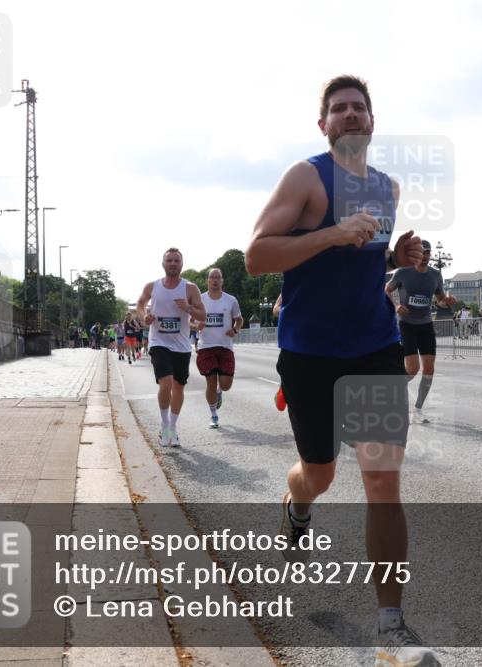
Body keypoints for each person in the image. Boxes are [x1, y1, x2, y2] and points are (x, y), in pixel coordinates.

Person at [245, 75, 436, 665]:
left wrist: (394, 256)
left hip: (375, 346)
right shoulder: (306, 177)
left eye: (359, 108)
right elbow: (256, 255)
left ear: (372, 122)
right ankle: (297, 504)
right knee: (319, 475)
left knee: (382, 482)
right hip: (310, 352)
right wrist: (331, 233)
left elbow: (366, 259)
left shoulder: (387, 187)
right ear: (323, 124)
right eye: (339, 109)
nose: (350, 115)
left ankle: (391, 627)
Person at [136, 248, 207, 447]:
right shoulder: (153, 286)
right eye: (169, 260)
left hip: (181, 345)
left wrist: (188, 308)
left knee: (178, 387)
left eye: (176, 260)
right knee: (166, 383)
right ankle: (164, 424)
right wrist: (145, 316)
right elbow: (140, 304)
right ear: (163, 264)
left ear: (181, 264)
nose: (173, 263)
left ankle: (172, 427)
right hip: (159, 342)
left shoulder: (190, 288)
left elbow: (203, 315)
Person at [385, 239, 457, 423]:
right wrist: (396, 305)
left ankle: (417, 410)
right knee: (412, 369)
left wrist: (447, 302)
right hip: (407, 325)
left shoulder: (435, 275)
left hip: (425, 325)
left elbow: (440, 300)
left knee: (429, 369)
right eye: (422, 253)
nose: (424, 256)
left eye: (427, 253)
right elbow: (387, 289)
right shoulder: (403, 272)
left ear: (430, 255)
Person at [194, 268, 243, 429]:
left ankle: (220, 391)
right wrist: (196, 326)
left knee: (226, 384)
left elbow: (239, 319)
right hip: (206, 347)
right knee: (210, 382)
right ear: (207, 280)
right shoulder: (200, 300)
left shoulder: (231, 300)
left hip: (225, 346)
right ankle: (214, 414)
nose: (215, 280)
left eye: (218, 277)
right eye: (212, 277)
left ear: (222, 281)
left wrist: (235, 330)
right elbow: (189, 321)